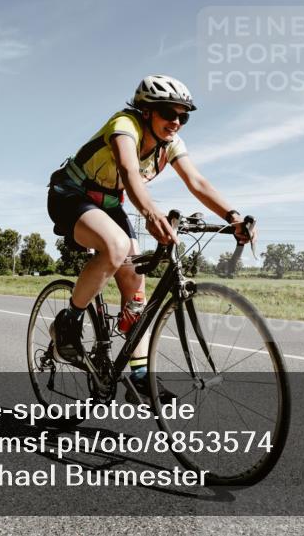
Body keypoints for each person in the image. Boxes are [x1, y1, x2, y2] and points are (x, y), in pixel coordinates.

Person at [47, 75, 254, 402]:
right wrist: (151, 214)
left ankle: (140, 376)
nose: (176, 122)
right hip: (70, 195)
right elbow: (129, 172)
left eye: (183, 116)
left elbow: (197, 182)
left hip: (109, 204)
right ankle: (67, 322)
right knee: (115, 246)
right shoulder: (124, 125)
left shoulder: (170, 144)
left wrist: (233, 217)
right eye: (168, 113)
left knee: (136, 283)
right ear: (146, 111)